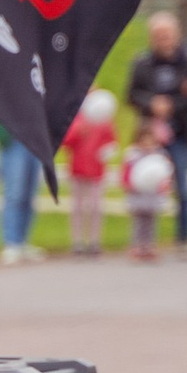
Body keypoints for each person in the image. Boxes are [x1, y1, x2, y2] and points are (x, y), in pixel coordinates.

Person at [127, 11, 187, 253]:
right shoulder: (142, 63)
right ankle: (144, 241)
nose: (164, 39)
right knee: (145, 188)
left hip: (181, 132)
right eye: (159, 35)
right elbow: (132, 95)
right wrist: (151, 103)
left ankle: (183, 239)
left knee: (182, 187)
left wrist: (172, 105)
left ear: (177, 35)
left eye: (168, 35)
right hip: (150, 137)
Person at [61, 88, 119, 257]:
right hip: (77, 169)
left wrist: (106, 152)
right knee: (77, 206)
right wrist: (78, 131)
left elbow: (111, 143)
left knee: (95, 206)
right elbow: (66, 142)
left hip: (96, 171)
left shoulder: (104, 122)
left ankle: (95, 241)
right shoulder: (76, 120)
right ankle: (77, 241)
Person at [0, 106, 44, 265]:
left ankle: (23, 241)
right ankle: (11, 242)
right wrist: (1, 135)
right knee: (14, 192)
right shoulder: (4, 83)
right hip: (13, 140)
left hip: (34, 139)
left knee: (30, 193)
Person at [123, 118, 173, 262]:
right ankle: (137, 246)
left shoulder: (160, 156)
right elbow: (126, 173)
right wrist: (128, 184)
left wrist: (165, 188)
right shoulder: (133, 156)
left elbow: (165, 175)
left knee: (151, 223)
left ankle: (149, 246)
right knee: (138, 223)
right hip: (138, 194)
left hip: (152, 196)